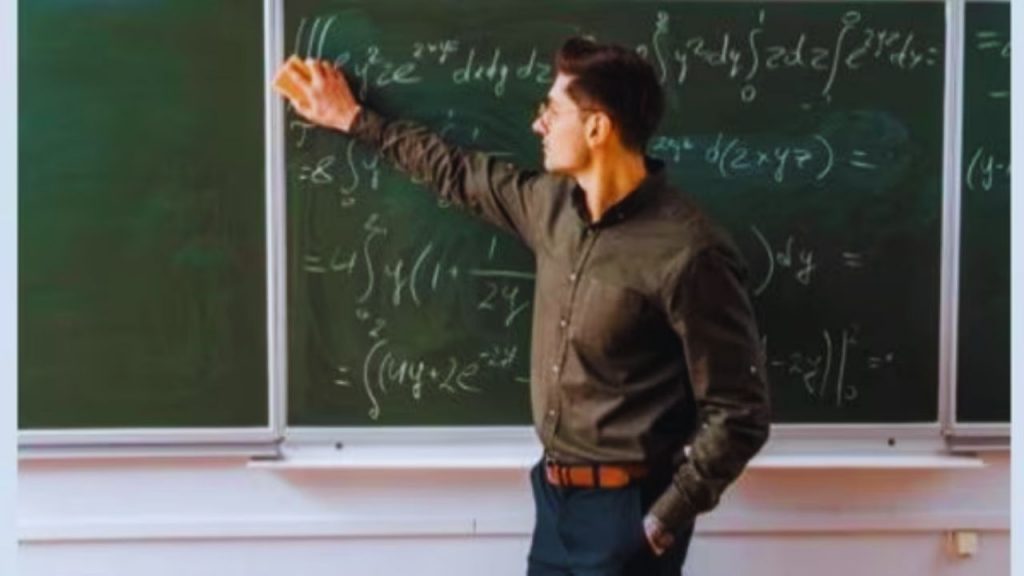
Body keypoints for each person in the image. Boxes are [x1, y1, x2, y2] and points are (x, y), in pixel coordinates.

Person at [276, 37, 771, 576]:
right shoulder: (549, 206)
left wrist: (661, 521)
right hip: (554, 502)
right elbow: (456, 171)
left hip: (632, 510)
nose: (538, 124)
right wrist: (353, 119)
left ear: (597, 128)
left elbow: (739, 412)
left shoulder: (689, 252)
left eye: (552, 110)